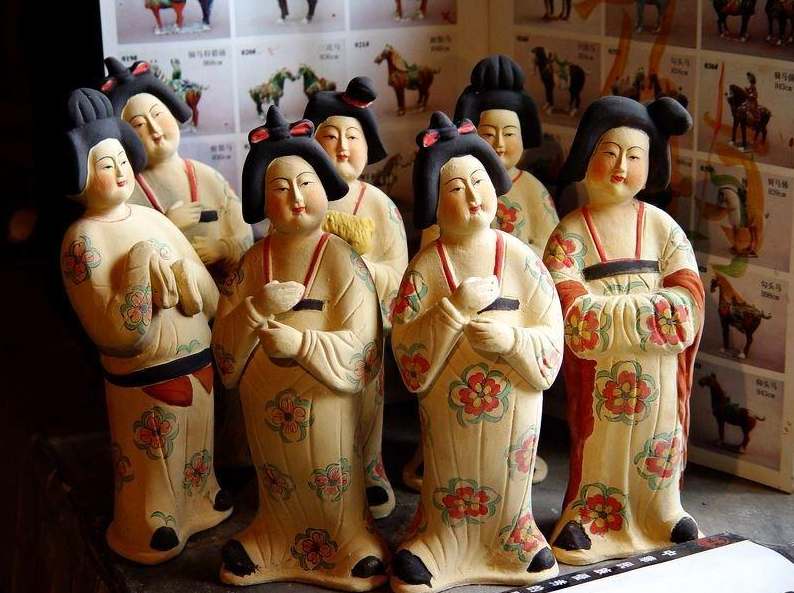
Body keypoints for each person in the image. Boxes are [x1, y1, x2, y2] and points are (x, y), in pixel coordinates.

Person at [212, 106, 389, 588]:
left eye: (305, 183)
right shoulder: (252, 262)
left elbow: (363, 347)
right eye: (280, 187)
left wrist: (302, 342)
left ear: (324, 190)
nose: (295, 197)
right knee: (278, 480)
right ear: (262, 199)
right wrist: (255, 309)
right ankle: (274, 536)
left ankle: (348, 540)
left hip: (324, 401)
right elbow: (224, 352)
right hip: (265, 404)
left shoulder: (341, 258)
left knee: (329, 474)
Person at [390, 112, 564, 591]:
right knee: (452, 469)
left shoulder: (522, 257)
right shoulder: (427, 266)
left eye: (480, 182)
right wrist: (452, 310)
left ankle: (514, 537)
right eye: (456, 188)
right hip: (450, 409)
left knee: (509, 474)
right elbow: (406, 348)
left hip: (515, 403)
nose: (472, 196)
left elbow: (551, 332)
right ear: (434, 201)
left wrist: (513, 340)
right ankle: (440, 540)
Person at [61, 88, 231, 564]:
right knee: (154, 453)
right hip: (144, 376)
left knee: (198, 439)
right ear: (79, 175)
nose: (119, 171)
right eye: (104, 164)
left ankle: (202, 498)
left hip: (197, 361)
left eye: (121, 160)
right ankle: (152, 520)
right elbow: (116, 332)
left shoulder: (153, 218)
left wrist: (185, 273)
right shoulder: (83, 240)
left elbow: (207, 293)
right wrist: (139, 263)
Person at [544, 96, 704, 564]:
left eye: (634, 156)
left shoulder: (662, 226)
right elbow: (569, 308)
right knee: (603, 446)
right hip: (604, 375)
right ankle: (589, 515)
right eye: (609, 153)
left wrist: (615, 313)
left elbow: (688, 298)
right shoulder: (570, 232)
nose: (620, 167)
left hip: (658, 373)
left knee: (660, 438)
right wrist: (649, 312)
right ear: (586, 153)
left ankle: (662, 511)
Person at [303, 76, 408, 518]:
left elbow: (399, 275)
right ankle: (320, 472)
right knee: (318, 405)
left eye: (353, 137)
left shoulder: (380, 205)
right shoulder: (302, 198)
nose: (342, 147)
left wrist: (360, 265)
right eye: (330, 136)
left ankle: (370, 467)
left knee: (366, 402)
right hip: (314, 326)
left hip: (364, 326)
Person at [102, 57, 252, 290]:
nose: (155, 129)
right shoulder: (128, 191)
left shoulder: (208, 176)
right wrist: (167, 225)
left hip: (224, 291)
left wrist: (223, 248)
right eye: (139, 124)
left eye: (158, 115)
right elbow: (122, 252)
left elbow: (243, 233)